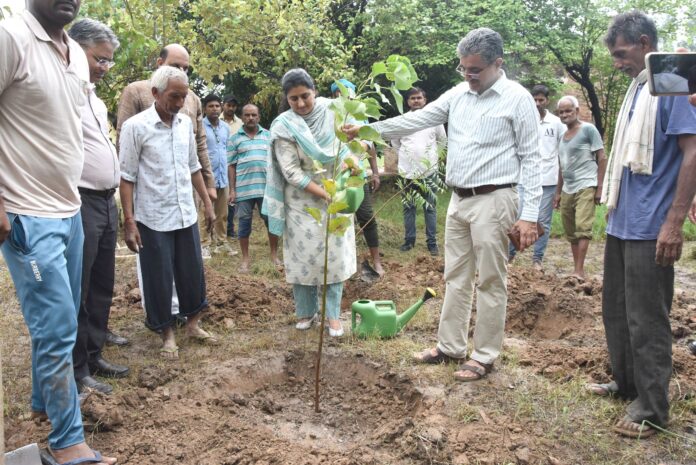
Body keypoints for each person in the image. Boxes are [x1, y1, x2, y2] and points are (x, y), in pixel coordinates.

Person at [343, 28, 541, 381]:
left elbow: (533, 158)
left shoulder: (517, 98)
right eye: (463, 68)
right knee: (455, 276)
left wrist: (529, 216)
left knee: (491, 280)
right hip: (459, 200)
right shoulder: (459, 95)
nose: (468, 75)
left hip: (495, 199)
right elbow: (418, 118)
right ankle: (450, 347)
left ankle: (484, 355)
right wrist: (368, 129)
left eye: (475, 70)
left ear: (498, 64)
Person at [0, 1, 117, 464]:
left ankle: (40, 406)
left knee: (58, 324)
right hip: (30, 213)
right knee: (58, 328)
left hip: (70, 209)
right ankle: (69, 444)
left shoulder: (72, 53)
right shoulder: (12, 37)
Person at [600, 11, 696, 438]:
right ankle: (627, 385)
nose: (617, 62)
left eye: (621, 53)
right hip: (622, 219)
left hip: (651, 225)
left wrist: (674, 220)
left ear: (643, 42)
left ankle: (653, 409)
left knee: (647, 318)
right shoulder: (638, 89)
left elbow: (692, 153)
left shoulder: (671, 86)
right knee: (616, 311)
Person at [119, 66, 218, 359]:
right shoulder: (135, 127)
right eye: (173, 97)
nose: (178, 103)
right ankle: (167, 334)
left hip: (185, 212)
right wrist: (129, 220)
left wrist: (208, 203)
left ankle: (192, 324)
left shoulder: (185, 123)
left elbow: (193, 167)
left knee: (191, 271)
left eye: (183, 97)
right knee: (158, 276)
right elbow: (126, 177)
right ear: (155, 93)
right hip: (152, 216)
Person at [265, 69, 359, 337]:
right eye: (294, 99)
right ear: (287, 99)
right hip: (301, 201)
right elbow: (291, 171)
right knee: (303, 257)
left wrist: (349, 172)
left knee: (335, 255)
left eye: (305, 96)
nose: (301, 104)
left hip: (337, 193)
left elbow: (351, 147)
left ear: (314, 91)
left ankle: (333, 316)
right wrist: (323, 192)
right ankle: (306, 312)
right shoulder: (284, 125)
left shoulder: (336, 111)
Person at [67, 18, 129, 396]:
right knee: (80, 286)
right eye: (99, 59)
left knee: (103, 285)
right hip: (81, 200)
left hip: (107, 202)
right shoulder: (66, 92)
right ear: (75, 49)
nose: (104, 67)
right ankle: (76, 370)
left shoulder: (96, 98)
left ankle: (94, 355)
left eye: (108, 62)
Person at [331, 78, 385, 274]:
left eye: (347, 92)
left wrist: (375, 172)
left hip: (356, 176)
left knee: (366, 216)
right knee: (337, 218)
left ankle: (376, 261)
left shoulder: (361, 117)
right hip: (335, 178)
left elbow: (369, 144)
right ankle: (340, 263)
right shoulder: (331, 115)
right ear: (335, 95)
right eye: (339, 92)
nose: (344, 95)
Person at [509, 84, 565, 269]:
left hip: (548, 180)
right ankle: (510, 255)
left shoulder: (556, 123)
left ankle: (537, 259)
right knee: (517, 216)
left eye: (541, 100)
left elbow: (561, 154)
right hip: (524, 178)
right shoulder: (523, 119)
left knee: (543, 221)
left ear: (547, 101)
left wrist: (559, 189)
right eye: (534, 99)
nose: (537, 103)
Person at [552, 96, 606, 279]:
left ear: (577, 111)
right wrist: (558, 192)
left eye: (568, 111)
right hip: (568, 187)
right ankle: (576, 269)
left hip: (586, 184)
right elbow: (561, 166)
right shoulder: (562, 137)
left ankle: (579, 270)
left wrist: (599, 188)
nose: (565, 114)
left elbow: (602, 157)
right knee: (570, 229)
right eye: (561, 112)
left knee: (583, 227)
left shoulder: (588, 130)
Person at [389, 87, 447, 256]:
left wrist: (433, 159)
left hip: (429, 172)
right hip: (407, 172)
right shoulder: (402, 120)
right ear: (408, 102)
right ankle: (409, 241)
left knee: (430, 208)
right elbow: (395, 143)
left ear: (425, 100)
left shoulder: (434, 120)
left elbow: (442, 141)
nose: (416, 101)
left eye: (419, 98)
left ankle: (432, 243)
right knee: (409, 208)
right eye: (412, 98)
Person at [227, 103, 280, 272]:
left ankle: (274, 255)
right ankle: (245, 259)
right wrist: (232, 190)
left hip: (266, 188)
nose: (250, 118)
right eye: (247, 115)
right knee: (244, 224)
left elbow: (276, 161)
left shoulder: (269, 136)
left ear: (259, 117)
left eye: (253, 115)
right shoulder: (234, 139)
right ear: (242, 117)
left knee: (270, 221)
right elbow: (231, 166)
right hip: (244, 189)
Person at [202, 93, 234, 253]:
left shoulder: (225, 128)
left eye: (217, 106)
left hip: (222, 177)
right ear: (204, 109)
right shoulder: (199, 126)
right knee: (204, 212)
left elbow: (226, 151)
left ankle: (221, 242)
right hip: (206, 178)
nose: (214, 109)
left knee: (223, 213)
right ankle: (205, 244)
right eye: (210, 106)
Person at [223, 94, 243, 239]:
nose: (231, 108)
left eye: (233, 106)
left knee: (232, 197)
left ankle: (230, 228)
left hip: (234, 165)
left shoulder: (240, 124)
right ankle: (215, 229)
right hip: (218, 164)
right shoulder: (216, 120)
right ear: (224, 105)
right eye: (228, 105)